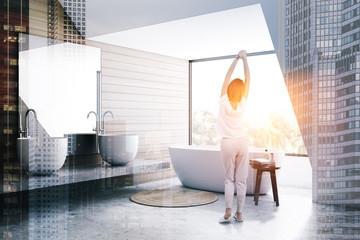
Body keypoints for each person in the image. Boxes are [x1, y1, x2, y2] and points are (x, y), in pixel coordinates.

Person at [217, 50, 250, 223]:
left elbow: (227, 76)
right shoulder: (243, 102)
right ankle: (240, 213)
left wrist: (236, 59)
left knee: (229, 179)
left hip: (227, 143)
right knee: (241, 181)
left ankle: (228, 211)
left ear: (229, 88)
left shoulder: (223, 99)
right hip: (242, 142)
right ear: (242, 89)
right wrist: (245, 59)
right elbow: (248, 78)